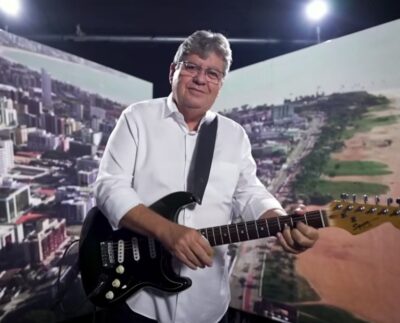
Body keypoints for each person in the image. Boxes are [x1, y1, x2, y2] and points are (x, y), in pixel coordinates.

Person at [94, 30, 319, 323]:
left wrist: (279, 218)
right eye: (192, 67)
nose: (201, 79)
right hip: (138, 301)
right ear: (173, 71)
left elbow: (249, 193)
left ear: (220, 84)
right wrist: (166, 231)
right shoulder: (137, 118)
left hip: (207, 305)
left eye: (213, 73)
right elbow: (109, 187)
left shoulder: (234, 135)